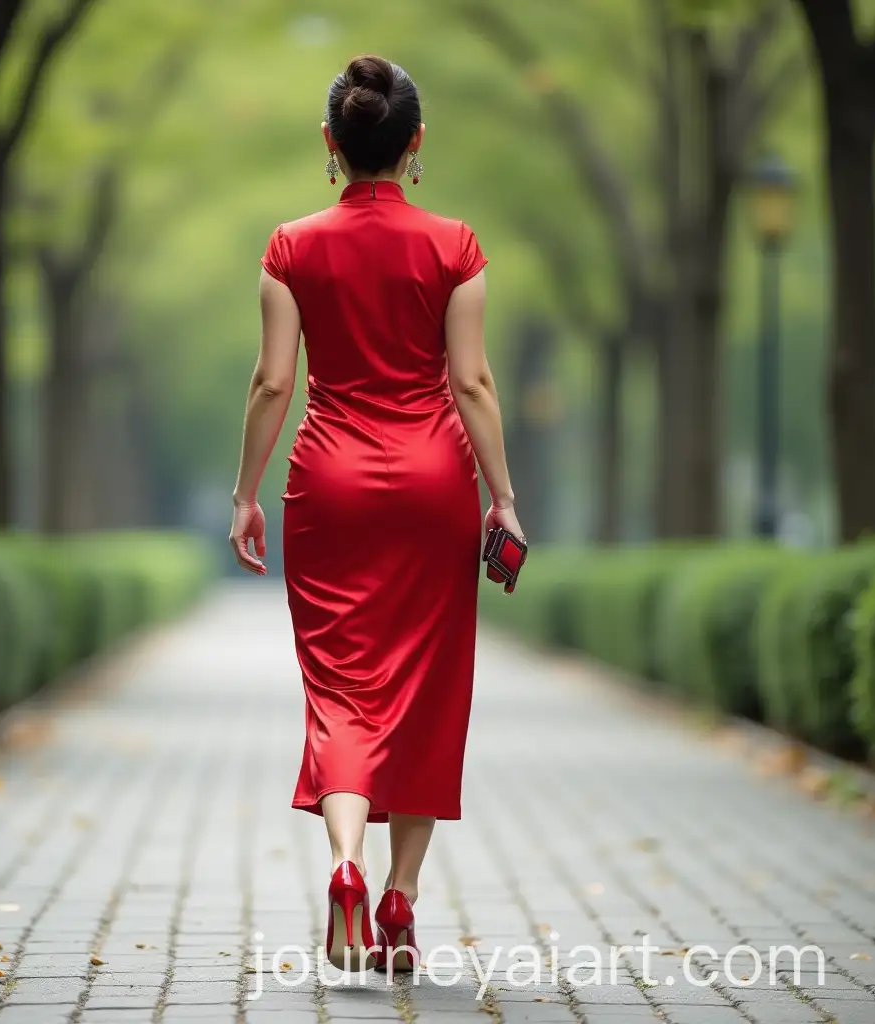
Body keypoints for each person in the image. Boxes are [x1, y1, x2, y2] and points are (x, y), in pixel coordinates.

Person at [229, 54, 524, 973]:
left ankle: (345, 867)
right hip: (436, 481)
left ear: (332, 144)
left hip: (330, 488)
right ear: (415, 145)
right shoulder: (456, 246)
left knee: (345, 690)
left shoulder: (289, 246)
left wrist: (245, 491)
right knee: (429, 693)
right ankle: (399, 899)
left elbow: (276, 380)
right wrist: (505, 498)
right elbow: (471, 381)